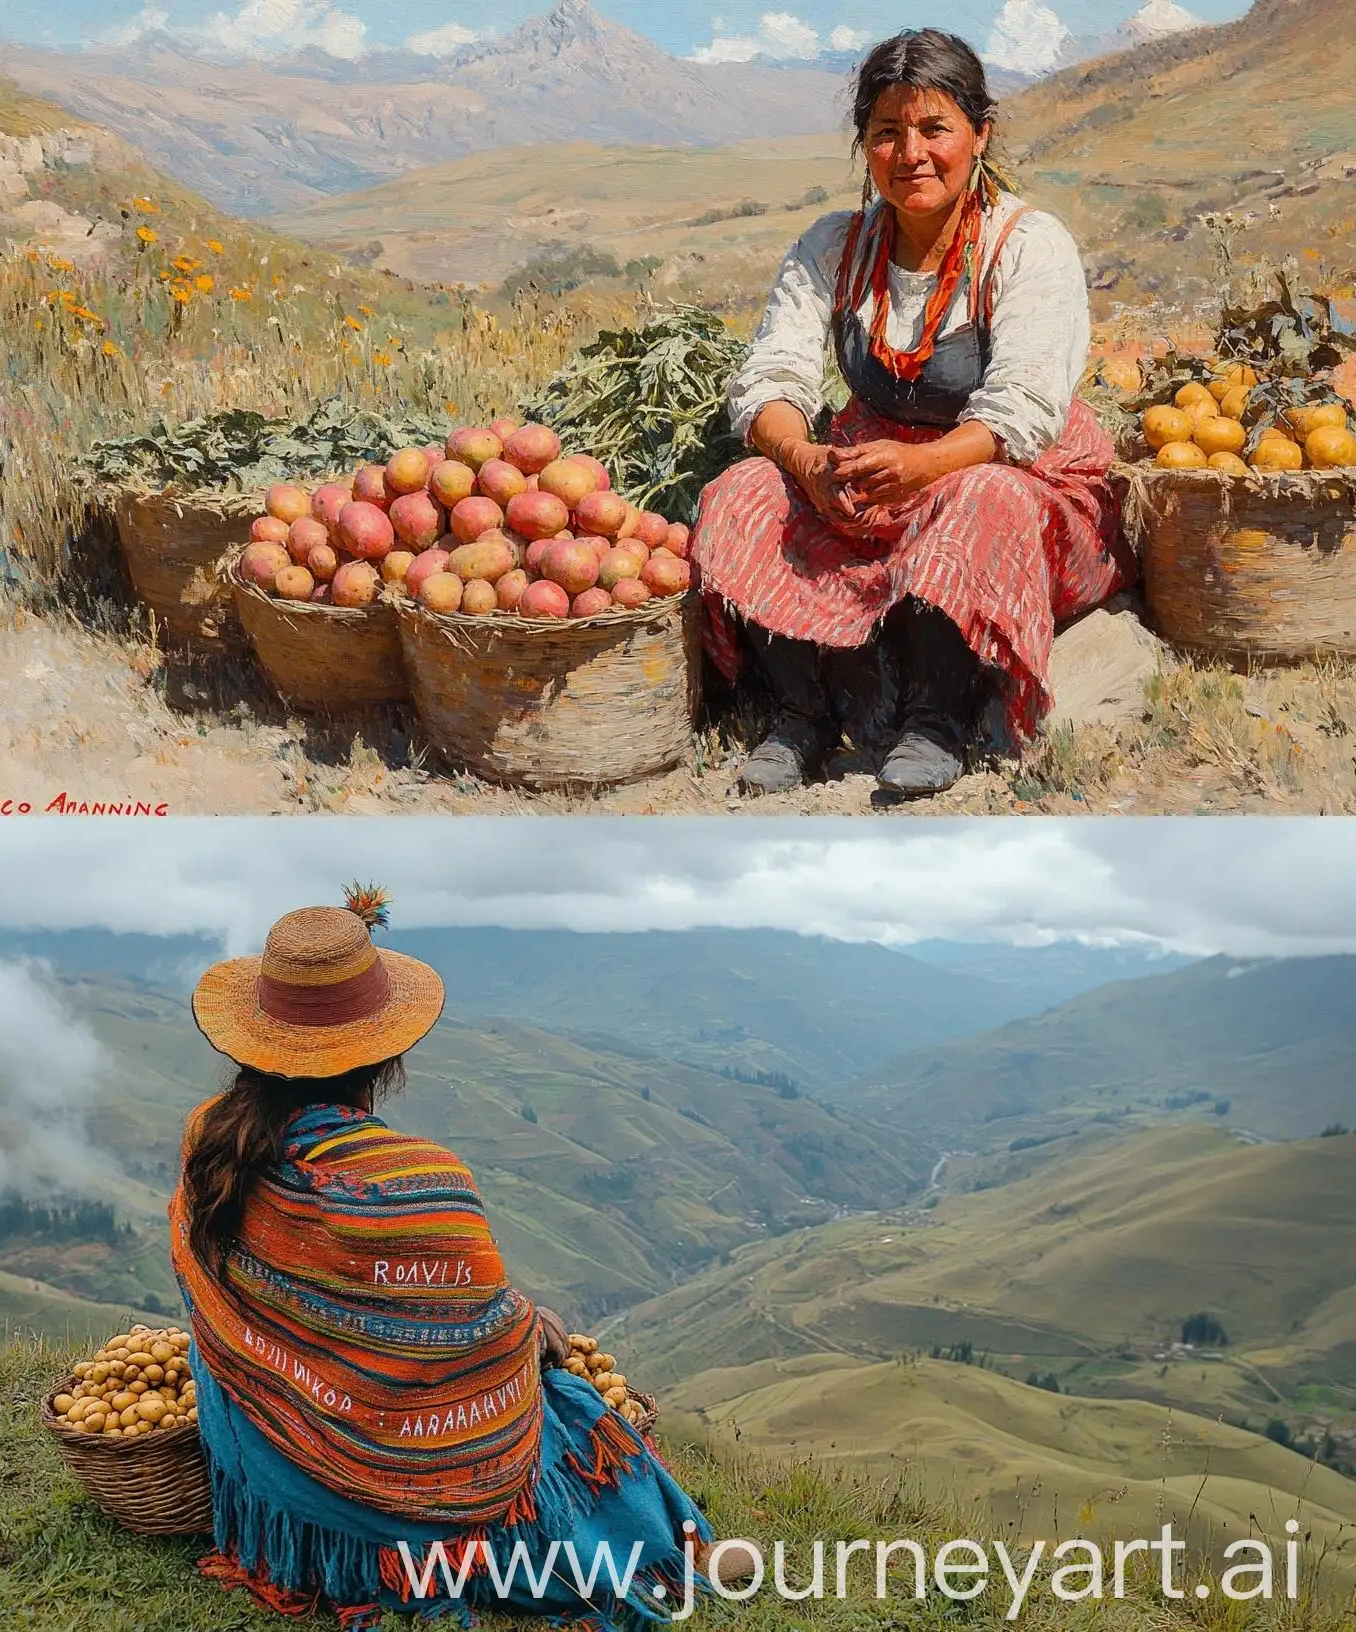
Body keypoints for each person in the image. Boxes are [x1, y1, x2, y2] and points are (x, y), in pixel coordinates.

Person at [169, 902, 726, 1625]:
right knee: (576, 1414)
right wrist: (527, 1325)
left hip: (262, 1443)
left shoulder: (210, 1140)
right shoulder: (421, 1185)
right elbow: (477, 1336)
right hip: (365, 1473)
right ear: (385, 1055)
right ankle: (642, 1549)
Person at [691, 29, 1129, 798]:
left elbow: (1022, 413)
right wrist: (804, 460)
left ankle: (938, 720)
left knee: (981, 500)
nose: (911, 154)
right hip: (868, 476)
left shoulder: (1026, 246)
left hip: (1011, 475)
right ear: (864, 145)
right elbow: (771, 380)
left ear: (980, 134)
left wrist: (925, 465)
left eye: (935, 129)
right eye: (887, 133)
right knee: (741, 494)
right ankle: (804, 713)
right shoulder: (833, 246)